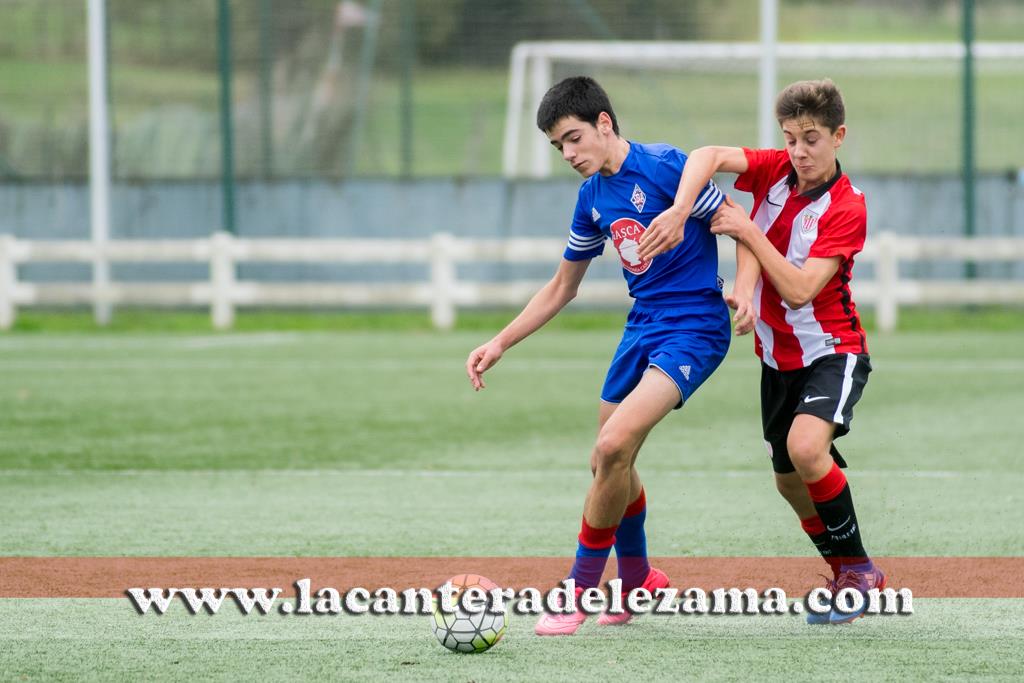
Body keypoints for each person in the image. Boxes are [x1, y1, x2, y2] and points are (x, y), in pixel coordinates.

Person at [465, 76, 730, 636]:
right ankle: (637, 579)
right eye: (559, 146)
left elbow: (738, 223)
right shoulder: (591, 198)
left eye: (574, 138)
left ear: (605, 123)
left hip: (696, 327)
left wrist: (747, 290)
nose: (569, 153)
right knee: (608, 462)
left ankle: (578, 590)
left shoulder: (666, 168)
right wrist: (499, 342)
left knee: (612, 446)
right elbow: (562, 286)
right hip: (642, 327)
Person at [637, 78, 884, 624]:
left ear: (839, 136)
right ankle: (844, 571)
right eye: (791, 138)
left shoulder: (847, 207)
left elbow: (799, 289)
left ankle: (862, 571)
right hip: (778, 359)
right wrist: (681, 212)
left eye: (812, 138)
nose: (798, 151)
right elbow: (705, 155)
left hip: (832, 350)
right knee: (788, 481)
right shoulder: (775, 170)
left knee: (806, 448)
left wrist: (746, 229)